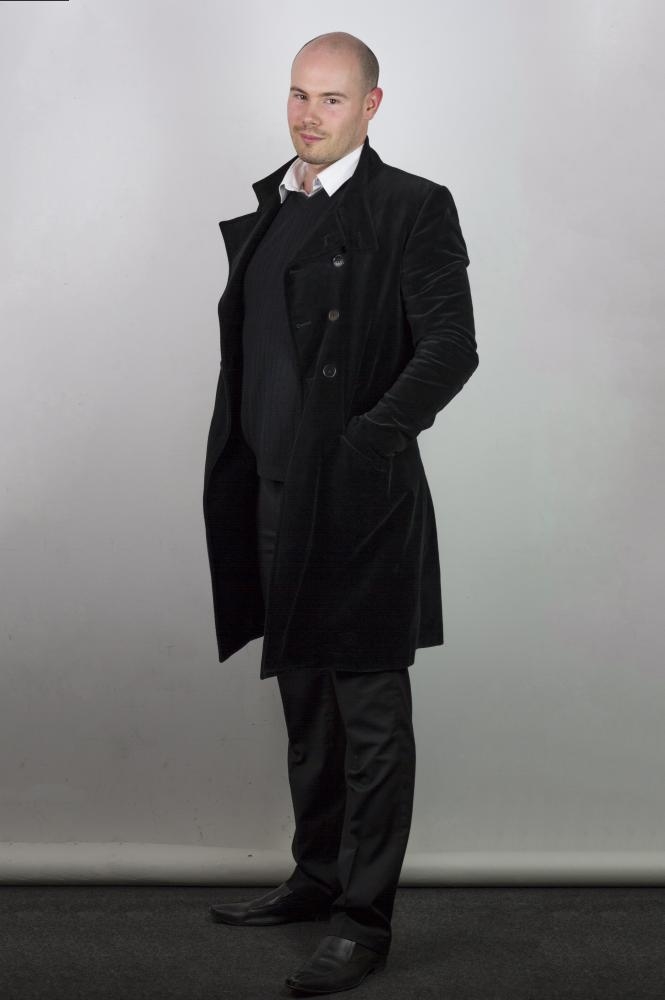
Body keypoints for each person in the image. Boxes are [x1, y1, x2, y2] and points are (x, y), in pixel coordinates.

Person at [203, 30, 479, 995]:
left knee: (367, 714)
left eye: (329, 98)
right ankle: (316, 875)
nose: (307, 115)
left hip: (358, 502)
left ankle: (363, 920)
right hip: (271, 493)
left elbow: (449, 347)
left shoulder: (411, 206)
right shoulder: (274, 205)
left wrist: (366, 444)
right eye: (297, 94)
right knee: (306, 704)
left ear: (370, 105)